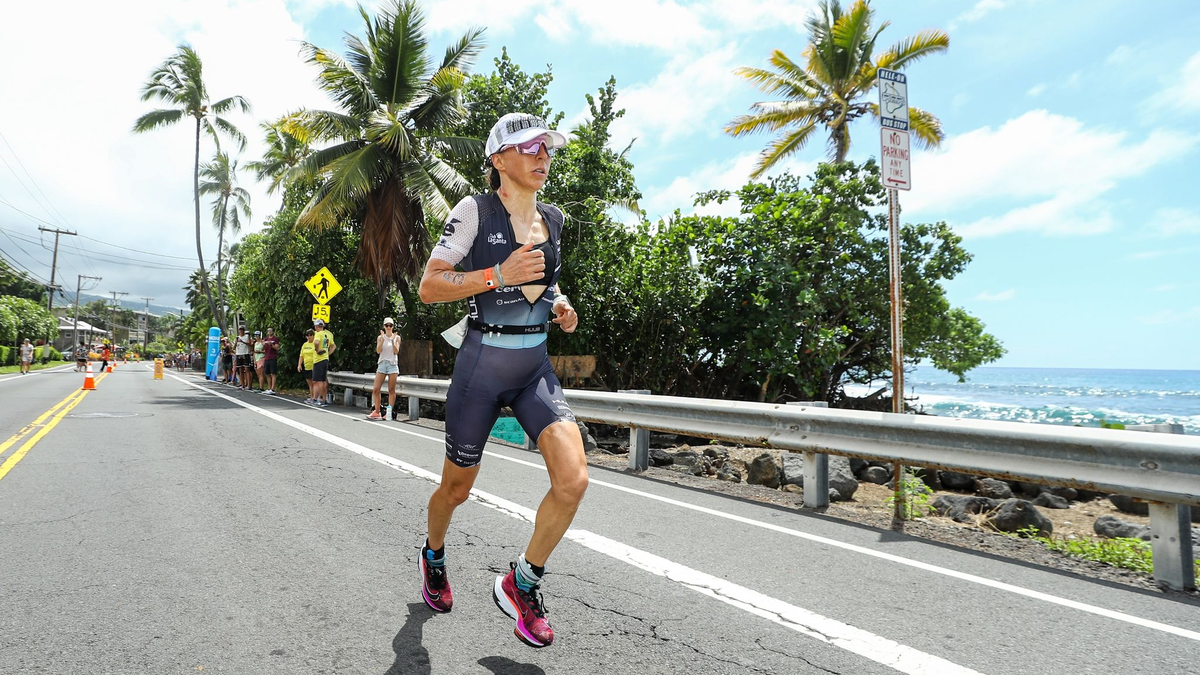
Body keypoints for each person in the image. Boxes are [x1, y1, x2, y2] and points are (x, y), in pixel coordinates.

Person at [416, 113, 584, 648]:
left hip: (534, 367)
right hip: (481, 368)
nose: (542, 155)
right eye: (529, 147)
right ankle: (434, 554)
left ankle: (522, 581)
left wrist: (562, 306)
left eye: (547, 147)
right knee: (456, 489)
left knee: (573, 480)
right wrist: (495, 276)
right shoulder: (473, 211)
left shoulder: (554, 218)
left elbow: (546, 283)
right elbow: (430, 286)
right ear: (498, 160)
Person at [367, 317, 402, 420]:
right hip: (382, 363)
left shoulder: (397, 337)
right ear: (384, 326)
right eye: (387, 325)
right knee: (376, 389)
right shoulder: (380, 337)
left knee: (391, 390)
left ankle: (389, 412)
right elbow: (378, 351)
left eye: (390, 325)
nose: (388, 327)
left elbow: (396, 351)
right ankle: (377, 411)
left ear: (393, 327)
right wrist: (382, 340)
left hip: (392, 364)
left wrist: (392, 341)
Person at [311, 319, 335, 406]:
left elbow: (316, 342)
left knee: (318, 380)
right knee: (324, 380)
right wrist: (328, 353)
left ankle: (321, 399)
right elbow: (333, 346)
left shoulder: (318, 334)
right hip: (325, 359)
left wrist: (317, 350)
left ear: (316, 326)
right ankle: (323, 398)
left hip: (318, 359)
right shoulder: (328, 334)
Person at [297, 329, 317, 404]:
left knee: (315, 382)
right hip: (307, 366)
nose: (309, 337)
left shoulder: (315, 343)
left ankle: (315, 397)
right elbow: (301, 356)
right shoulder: (305, 345)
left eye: (311, 335)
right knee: (310, 383)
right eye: (307, 335)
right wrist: (299, 364)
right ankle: (312, 397)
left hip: (314, 365)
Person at [262, 328, 280, 395]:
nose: (269, 332)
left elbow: (277, 348)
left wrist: (271, 345)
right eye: (268, 331)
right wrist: (263, 344)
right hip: (266, 357)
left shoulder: (275, 339)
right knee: (267, 373)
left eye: (271, 331)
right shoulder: (266, 339)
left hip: (273, 357)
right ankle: (269, 388)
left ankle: (273, 388)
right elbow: (262, 349)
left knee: (273, 373)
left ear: (273, 332)